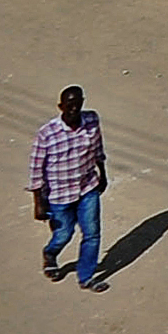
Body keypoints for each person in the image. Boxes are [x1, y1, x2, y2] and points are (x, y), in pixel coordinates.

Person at [29, 84, 106, 291]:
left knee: (92, 233)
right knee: (64, 234)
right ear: (60, 106)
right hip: (59, 195)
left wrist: (103, 175)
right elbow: (36, 170)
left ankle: (86, 277)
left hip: (87, 187)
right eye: (69, 105)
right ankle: (51, 253)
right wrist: (38, 203)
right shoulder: (47, 134)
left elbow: (98, 149)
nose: (74, 109)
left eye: (78, 103)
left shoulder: (91, 120)